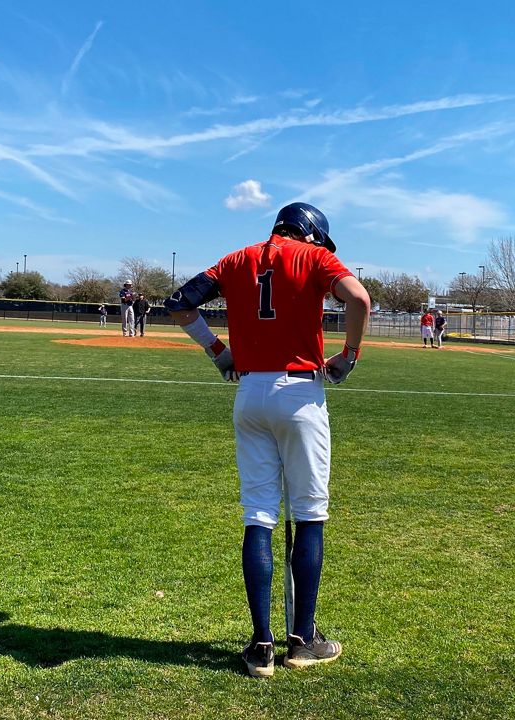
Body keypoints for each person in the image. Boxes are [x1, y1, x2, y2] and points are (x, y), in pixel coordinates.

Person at [165, 201, 370, 678]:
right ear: (312, 234)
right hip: (299, 393)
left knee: (258, 515)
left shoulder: (236, 259)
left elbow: (179, 304)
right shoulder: (316, 258)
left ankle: (261, 647)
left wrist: (219, 351)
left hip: (250, 392)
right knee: (309, 513)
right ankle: (303, 640)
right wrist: (350, 355)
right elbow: (357, 299)